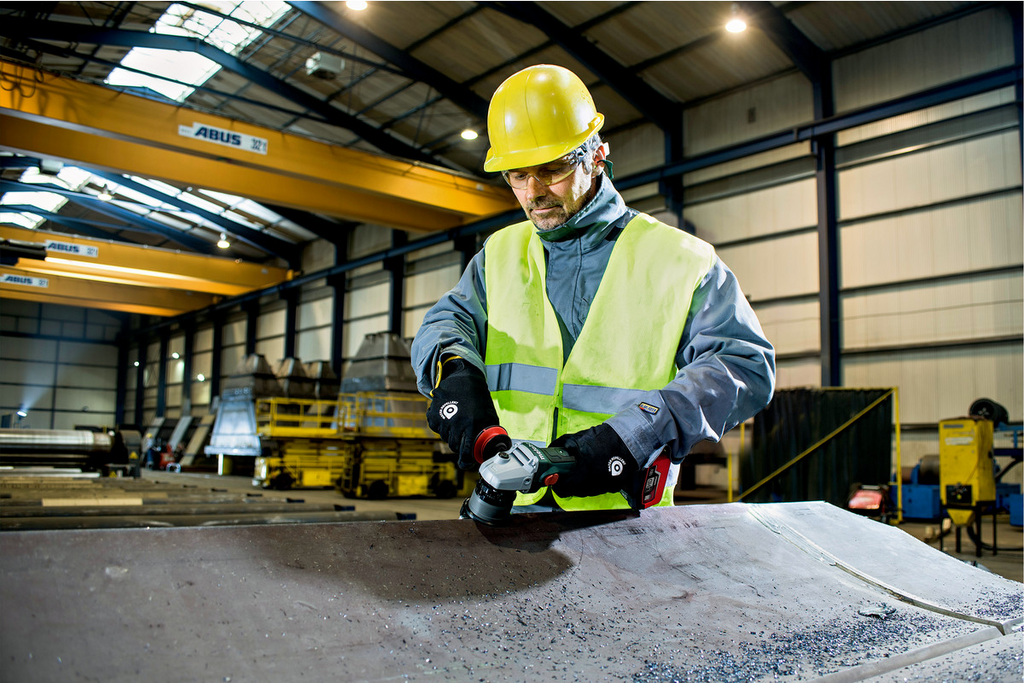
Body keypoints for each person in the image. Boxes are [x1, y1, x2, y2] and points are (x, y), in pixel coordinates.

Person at [411, 64, 775, 512]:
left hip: (625, 514)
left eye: (551, 170)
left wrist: (638, 432)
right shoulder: (499, 254)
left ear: (597, 156)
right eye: (517, 176)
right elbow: (447, 322)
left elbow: (744, 364)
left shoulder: (682, 260)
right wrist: (453, 369)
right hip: (514, 502)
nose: (533, 192)